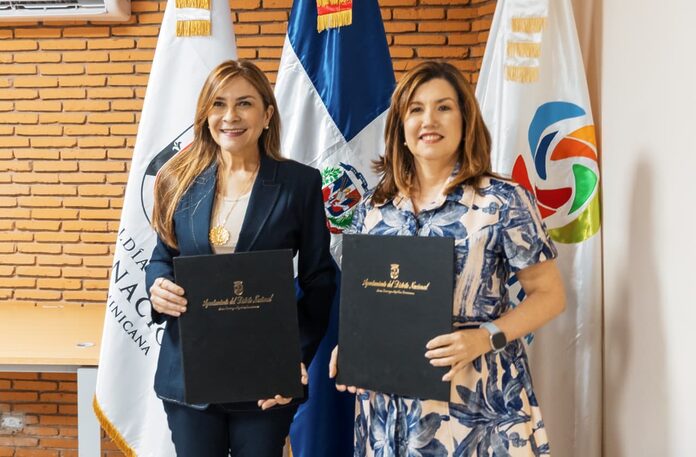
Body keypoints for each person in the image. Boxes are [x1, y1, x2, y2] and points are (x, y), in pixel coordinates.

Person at [329, 60, 566, 455]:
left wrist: (484, 337)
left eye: (443, 107)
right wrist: (354, 348)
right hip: (390, 408)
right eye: (416, 109)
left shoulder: (503, 201)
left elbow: (550, 295)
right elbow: (366, 304)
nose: (429, 120)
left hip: (478, 398)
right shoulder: (372, 209)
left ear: (465, 120)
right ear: (400, 127)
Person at [145, 60, 336, 457]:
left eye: (244, 103)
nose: (230, 116)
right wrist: (157, 286)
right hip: (190, 376)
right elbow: (163, 256)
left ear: (266, 115)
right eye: (218, 104)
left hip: (266, 380)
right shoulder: (176, 179)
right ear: (205, 114)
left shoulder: (299, 184)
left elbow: (319, 280)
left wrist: (293, 358)